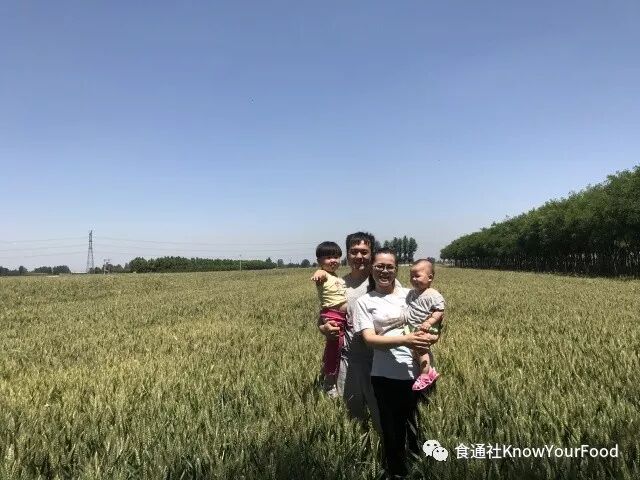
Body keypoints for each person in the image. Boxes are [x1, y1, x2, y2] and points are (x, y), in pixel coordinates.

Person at [353, 248, 436, 478]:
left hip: (419, 374)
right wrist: (406, 340)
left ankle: (424, 472)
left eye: (390, 266)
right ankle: (397, 474)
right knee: (393, 434)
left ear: (397, 269)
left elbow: (435, 316)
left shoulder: (412, 294)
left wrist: (433, 333)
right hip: (385, 377)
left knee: (420, 429)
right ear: (372, 268)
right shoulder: (364, 301)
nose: (384, 271)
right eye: (379, 266)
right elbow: (370, 339)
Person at [377, 259, 445, 391]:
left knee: (421, 350)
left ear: (430, 278)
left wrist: (429, 322)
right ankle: (430, 371)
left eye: (417, 276)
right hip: (413, 327)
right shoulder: (412, 292)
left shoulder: (433, 294)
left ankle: (425, 375)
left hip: (426, 327)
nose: (413, 279)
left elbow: (439, 311)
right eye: (411, 276)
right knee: (415, 352)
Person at [314, 241, 348, 397]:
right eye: (328, 257)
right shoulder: (324, 274)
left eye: (336, 256)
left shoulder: (336, 277)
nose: (333, 260)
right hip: (332, 316)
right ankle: (329, 382)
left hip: (341, 316)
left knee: (337, 347)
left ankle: (327, 373)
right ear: (319, 261)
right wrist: (319, 272)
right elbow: (319, 274)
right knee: (334, 348)